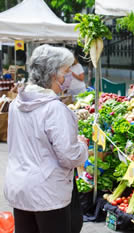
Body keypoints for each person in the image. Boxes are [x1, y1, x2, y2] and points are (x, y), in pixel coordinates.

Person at [4, 44, 89, 233]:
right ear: (53, 74)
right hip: (48, 194)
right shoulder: (54, 109)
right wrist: (82, 146)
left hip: (21, 189)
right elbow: (69, 156)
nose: (68, 77)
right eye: (66, 71)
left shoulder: (17, 104)